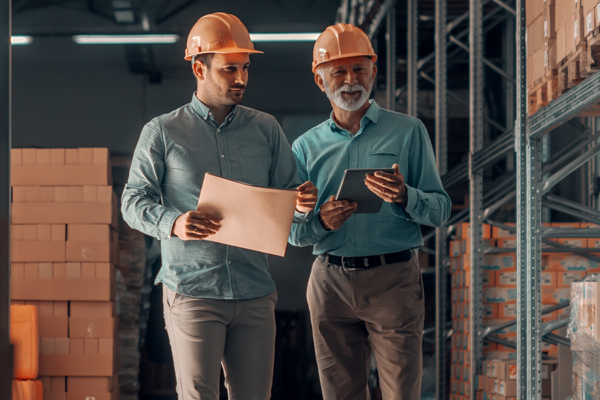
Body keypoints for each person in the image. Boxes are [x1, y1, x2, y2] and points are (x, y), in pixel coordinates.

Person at [121, 12, 318, 400]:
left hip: (255, 292)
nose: (241, 78)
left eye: (245, 68)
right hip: (193, 290)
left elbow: (288, 195)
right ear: (199, 67)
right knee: (199, 395)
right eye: (230, 69)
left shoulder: (266, 129)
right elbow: (132, 201)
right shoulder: (162, 132)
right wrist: (175, 223)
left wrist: (302, 204)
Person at [288, 23, 451, 400]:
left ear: (373, 72)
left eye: (359, 69)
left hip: (393, 280)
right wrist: (319, 221)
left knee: (400, 393)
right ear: (320, 79)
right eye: (339, 71)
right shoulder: (304, 148)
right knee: (340, 394)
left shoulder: (408, 132)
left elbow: (440, 210)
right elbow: (292, 232)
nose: (350, 80)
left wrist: (405, 195)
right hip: (329, 282)